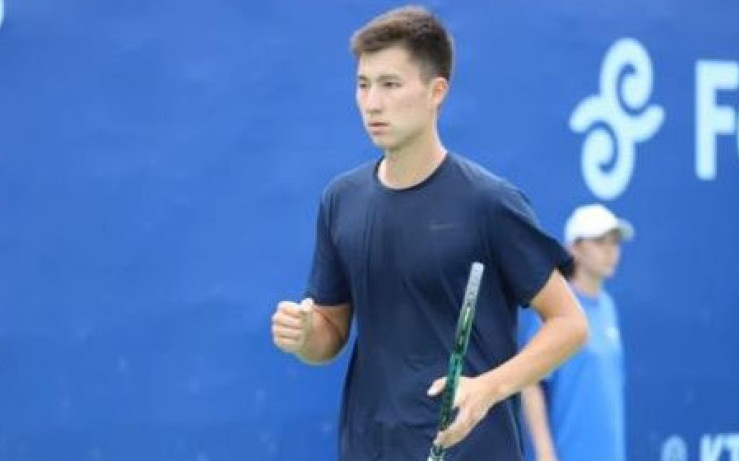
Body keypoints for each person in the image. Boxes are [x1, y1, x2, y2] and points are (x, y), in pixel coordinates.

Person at [270, 6, 588, 460]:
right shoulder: (341, 200)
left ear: (436, 91)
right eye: (363, 84)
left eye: (390, 84)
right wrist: (305, 336)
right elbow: (330, 332)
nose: (372, 103)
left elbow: (570, 324)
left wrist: (489, 388)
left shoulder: (489, 202)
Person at [519, 204, 634, 461]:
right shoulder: (557, 308)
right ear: (574, 248)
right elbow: (530, 383)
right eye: (600, 241)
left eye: (615, 242)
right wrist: (545, 452)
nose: (611, 251)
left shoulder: (608, 306)